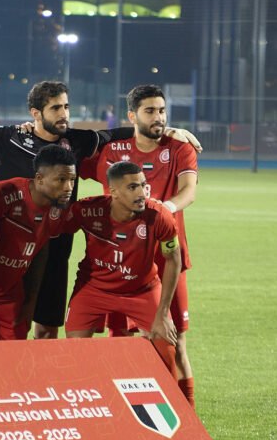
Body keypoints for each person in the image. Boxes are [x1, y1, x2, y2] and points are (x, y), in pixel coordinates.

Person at [0, 79, 201, 341]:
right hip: (1, 251)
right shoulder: (8, 137)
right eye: (56, 108)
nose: (64, 114)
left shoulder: (78, 141)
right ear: (36, 113)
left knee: (45, 326)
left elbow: (125, 132)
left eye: (66, 107)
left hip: (53, 246)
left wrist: (168, 130)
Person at [80, 83, 198, 405]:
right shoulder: (112, 152)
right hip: (122, 262)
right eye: (150, 111)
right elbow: (69, 153)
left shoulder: (179, 148)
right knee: (120, 340)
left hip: (168, 257)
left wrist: (163, 209)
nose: (158, 117)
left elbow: (188, 192)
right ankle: (123, 415)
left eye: (162, 111)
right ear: (132, 116)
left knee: (175, 340)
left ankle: (188, 416)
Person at [63, 161, 180, 352]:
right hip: (93, 289)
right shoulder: (87, 210)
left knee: (166, 347)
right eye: (133, 187)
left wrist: (163, 312)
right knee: (74, 349)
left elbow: (173, 260)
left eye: (143, 185)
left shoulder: (159, 216)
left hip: (142, 291)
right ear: (114, 192)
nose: (142, 193)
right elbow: (54, 228)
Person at [0, 145, 77, 340]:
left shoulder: (59, 210)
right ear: (39, 178)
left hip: (12, 296)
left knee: (14, 355)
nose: (69, 187)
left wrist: (31, 301)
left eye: (72, 180)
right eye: (61, 180)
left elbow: (40, 249)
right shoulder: (4, 194)